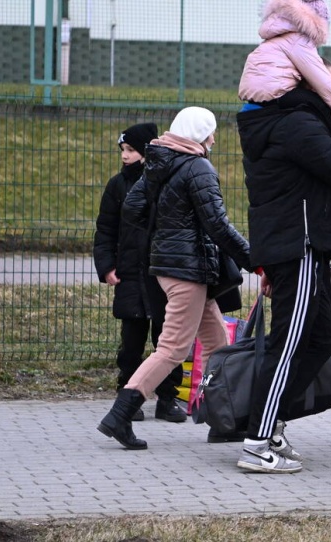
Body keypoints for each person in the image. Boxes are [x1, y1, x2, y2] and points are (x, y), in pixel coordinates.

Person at [236, 68, 331, 474]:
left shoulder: (296, 122)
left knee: (323, 338)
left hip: (304, 246)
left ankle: (271, 422)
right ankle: (257, 442)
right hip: (300, 248)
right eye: (326, 77)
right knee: (289, 344)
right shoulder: (296, 123)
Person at [96, 107, 253, 451]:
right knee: (172, 348)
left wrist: (167, 230)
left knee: (216, 345)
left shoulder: (159, 162)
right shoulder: (197, 167)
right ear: (200, 135)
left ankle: (222, 421)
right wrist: (253, 260)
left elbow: (133, 208)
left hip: (170, 267)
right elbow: (217, 224)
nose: (213, 140)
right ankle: (119, 416)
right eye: (210, 133)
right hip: (187, 272)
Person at [93, 122, 187, 424]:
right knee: (131, 341)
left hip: (161, 272)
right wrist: (106, 265)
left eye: (131, 150)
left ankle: (168, 398)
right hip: (130, 274)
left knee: (167, 339)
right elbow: (105, 230)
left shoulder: (164, 182)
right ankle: (128, 394)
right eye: (122, 150)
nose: (125, 156)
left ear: (147, 152)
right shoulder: (116, 186)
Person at [238, 0, 331, 110]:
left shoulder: (276, 36)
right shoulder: (299, 40)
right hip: (274, 95)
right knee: (318, 103)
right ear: (316, 23)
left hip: (255, 95)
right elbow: (321, 78)